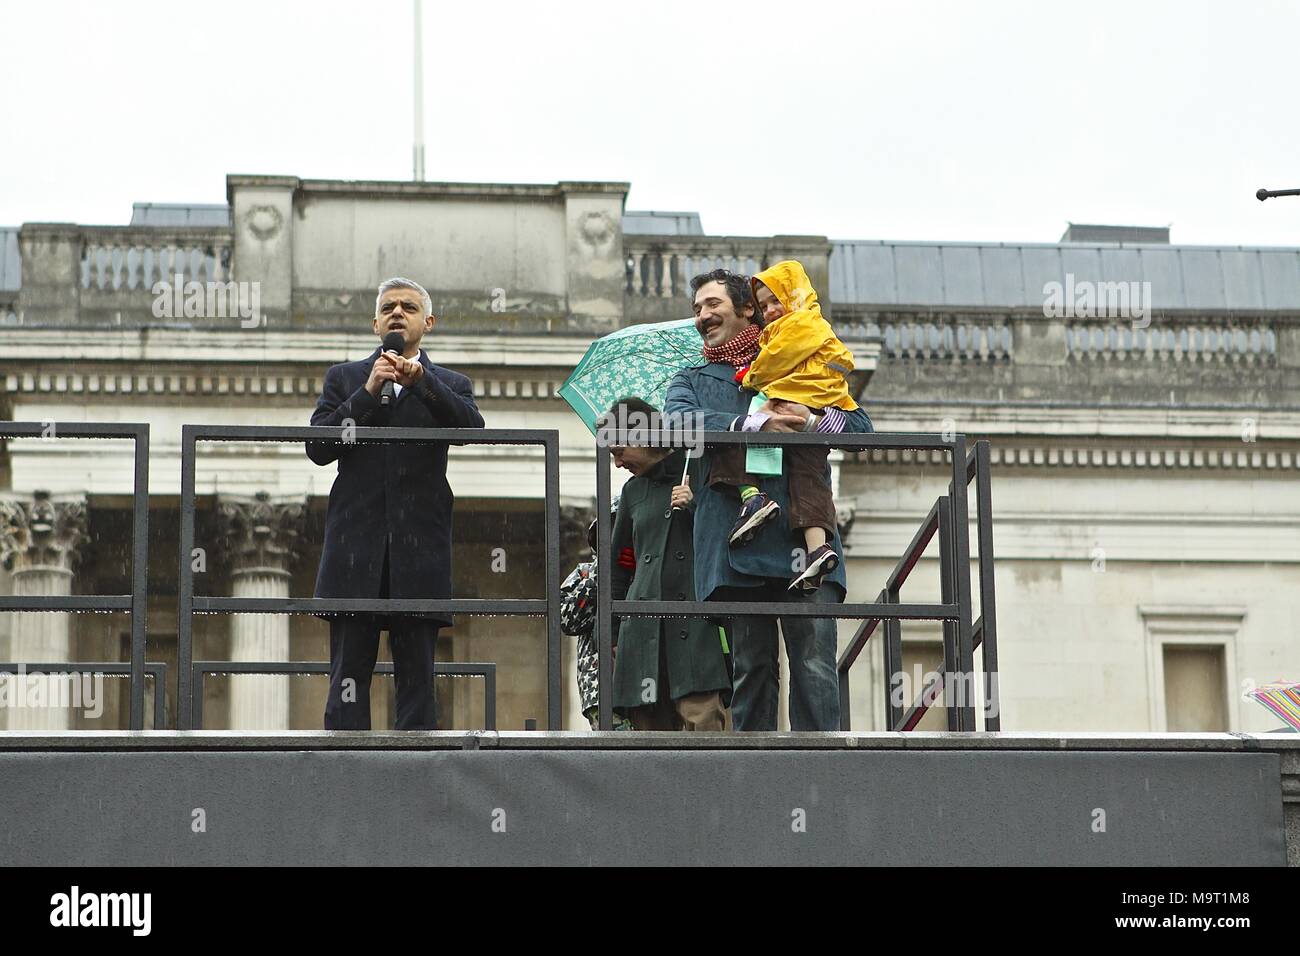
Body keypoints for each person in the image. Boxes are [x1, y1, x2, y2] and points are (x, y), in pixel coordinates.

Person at [662, 269, 872, 732]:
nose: (702, 315)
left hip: (805, 540)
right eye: (697, 307)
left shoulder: (799, 360)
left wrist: (813, 419)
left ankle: (821, 772)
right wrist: (751, 425)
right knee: (751, 670)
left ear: (746, 310)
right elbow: (675, 423)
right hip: (735, 546)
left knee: (816, 668)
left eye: (712, 304)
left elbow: (864, 433)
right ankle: (754, 779)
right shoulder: (691, 379)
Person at [307, 276, 485, 730]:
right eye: (388, 308)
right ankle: (346, 773)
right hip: (354, 550)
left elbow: (470, 428)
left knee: (418, 682)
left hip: (419, 551)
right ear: (374, 323)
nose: (396, 313)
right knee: (347, 677)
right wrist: (367, 394)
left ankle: (417, 775)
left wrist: (424, 383)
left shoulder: (450, 383)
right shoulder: (344, 378)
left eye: (407, 307)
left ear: (429, 322)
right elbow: (319, 447)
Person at [710, 259, 861, 591]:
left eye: (775, 301)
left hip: (804, 400)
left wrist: (809, 422)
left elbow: (861, 433)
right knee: (806, 479)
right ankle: (818, 549)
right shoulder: (794, 327)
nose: (771, 310)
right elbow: (681, 420)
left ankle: (754, 499)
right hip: (752, 568)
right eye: (765, 305)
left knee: (738, 439)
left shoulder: (801, 325)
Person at [604, 397, 731, 731]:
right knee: (648, 744)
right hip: (642, 630)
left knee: (703, 724)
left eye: (619, 452)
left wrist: (694, 508)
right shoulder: (632, 492)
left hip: (696, 624)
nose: (617, 464)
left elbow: (727, 539)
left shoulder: (699, 470)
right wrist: (613, 633)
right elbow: (619, 566)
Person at [561, 495, 634, 731]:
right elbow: (567, 620)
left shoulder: (646, 571)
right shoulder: (585, 572)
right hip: (602, 688)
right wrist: (604, 569)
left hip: (644, 682)